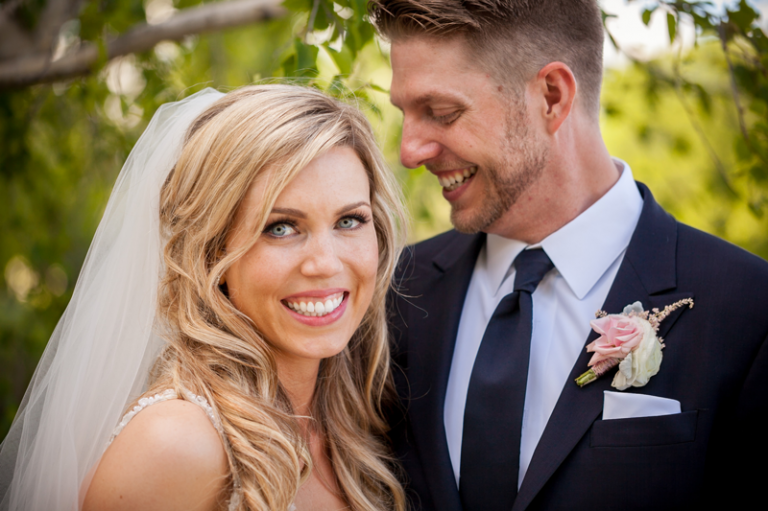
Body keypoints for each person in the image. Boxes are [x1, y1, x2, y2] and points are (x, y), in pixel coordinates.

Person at [368, 1, 768, 510]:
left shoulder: (749, 309)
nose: (409, 151)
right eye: (405, 114)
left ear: (552, 97)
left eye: (441, 113)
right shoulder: (393, 291)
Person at [0, 85, 409, 511]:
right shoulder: (175, 444)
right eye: (281, 228)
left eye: (349, 220)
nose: (324, 263)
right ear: (213, 250)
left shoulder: (352, 421)